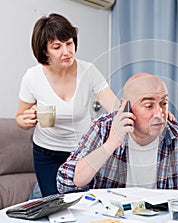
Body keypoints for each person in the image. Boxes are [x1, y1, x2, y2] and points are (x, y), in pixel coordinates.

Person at [57, 73, 178, 193]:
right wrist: (112, 142)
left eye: (164, 104)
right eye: (149, 105)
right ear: (125, 106)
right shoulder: (103, 129)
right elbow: (66, 182)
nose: (159, 114)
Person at [15, 13, 119, 197]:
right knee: (55, 204)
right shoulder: (32, 77)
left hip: (83, 152)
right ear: (45, 51)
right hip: (46, 154)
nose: (67, 51)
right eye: (57, 47)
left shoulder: (88, 71)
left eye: (69, 43)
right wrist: (27, 120)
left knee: (82, 202)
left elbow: (115, 107)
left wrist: (150, 112)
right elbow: (20, 118)